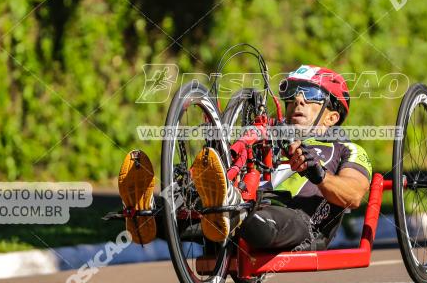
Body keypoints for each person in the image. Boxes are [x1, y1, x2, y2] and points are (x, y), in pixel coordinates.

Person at [118, 65, 372, 251]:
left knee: (256, 220)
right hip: (243, 203)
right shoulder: (270, 134)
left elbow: (353, 194)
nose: (298, 99)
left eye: (311, 94)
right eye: (293, 92)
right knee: (178, 213)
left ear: (332, 116)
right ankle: (147, 211)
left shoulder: (346, 149)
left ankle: (232, 209)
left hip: (298, 221)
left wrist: (318, 175)